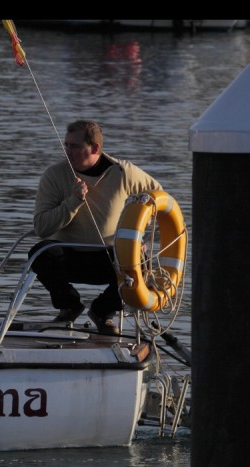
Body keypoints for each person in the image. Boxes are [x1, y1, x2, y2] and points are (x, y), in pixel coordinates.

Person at [29, 120, 163, 335]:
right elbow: (41, 227)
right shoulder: (54, 175)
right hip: (69, 256)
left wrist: (140, 236)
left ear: (95, 148)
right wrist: (73, 201)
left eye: (74, 146)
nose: (68, 151)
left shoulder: (124, 172)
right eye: (66, 145)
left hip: (110, 258)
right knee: (39, 253)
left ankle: (102, 311)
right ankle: (70, 306)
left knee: (143, 264)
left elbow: (159, 198)